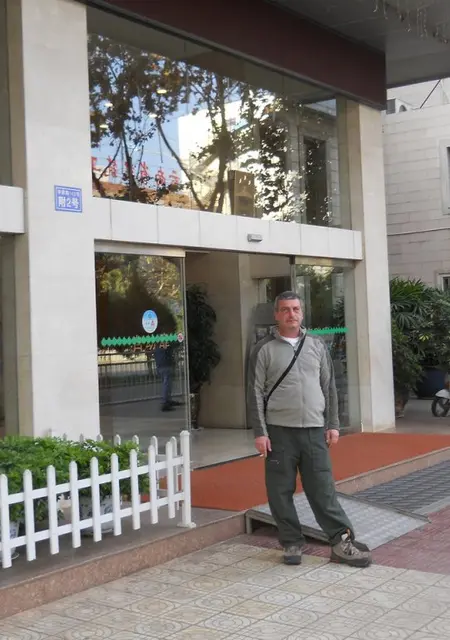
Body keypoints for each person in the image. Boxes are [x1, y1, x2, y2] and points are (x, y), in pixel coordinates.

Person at [247, 291, 371, 568]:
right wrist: (260, 432)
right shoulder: (263, 349)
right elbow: (254, 392)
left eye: (295, 309)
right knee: (280, 491)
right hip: (279, 432)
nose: (291, 314)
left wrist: (333, 424)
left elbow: (329, 386)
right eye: (285, 309)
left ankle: (340, 541)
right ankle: (291, 541)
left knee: (323, 489)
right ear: (276, 315)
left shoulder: (316, 345)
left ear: (302, 313)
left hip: (315, 430)